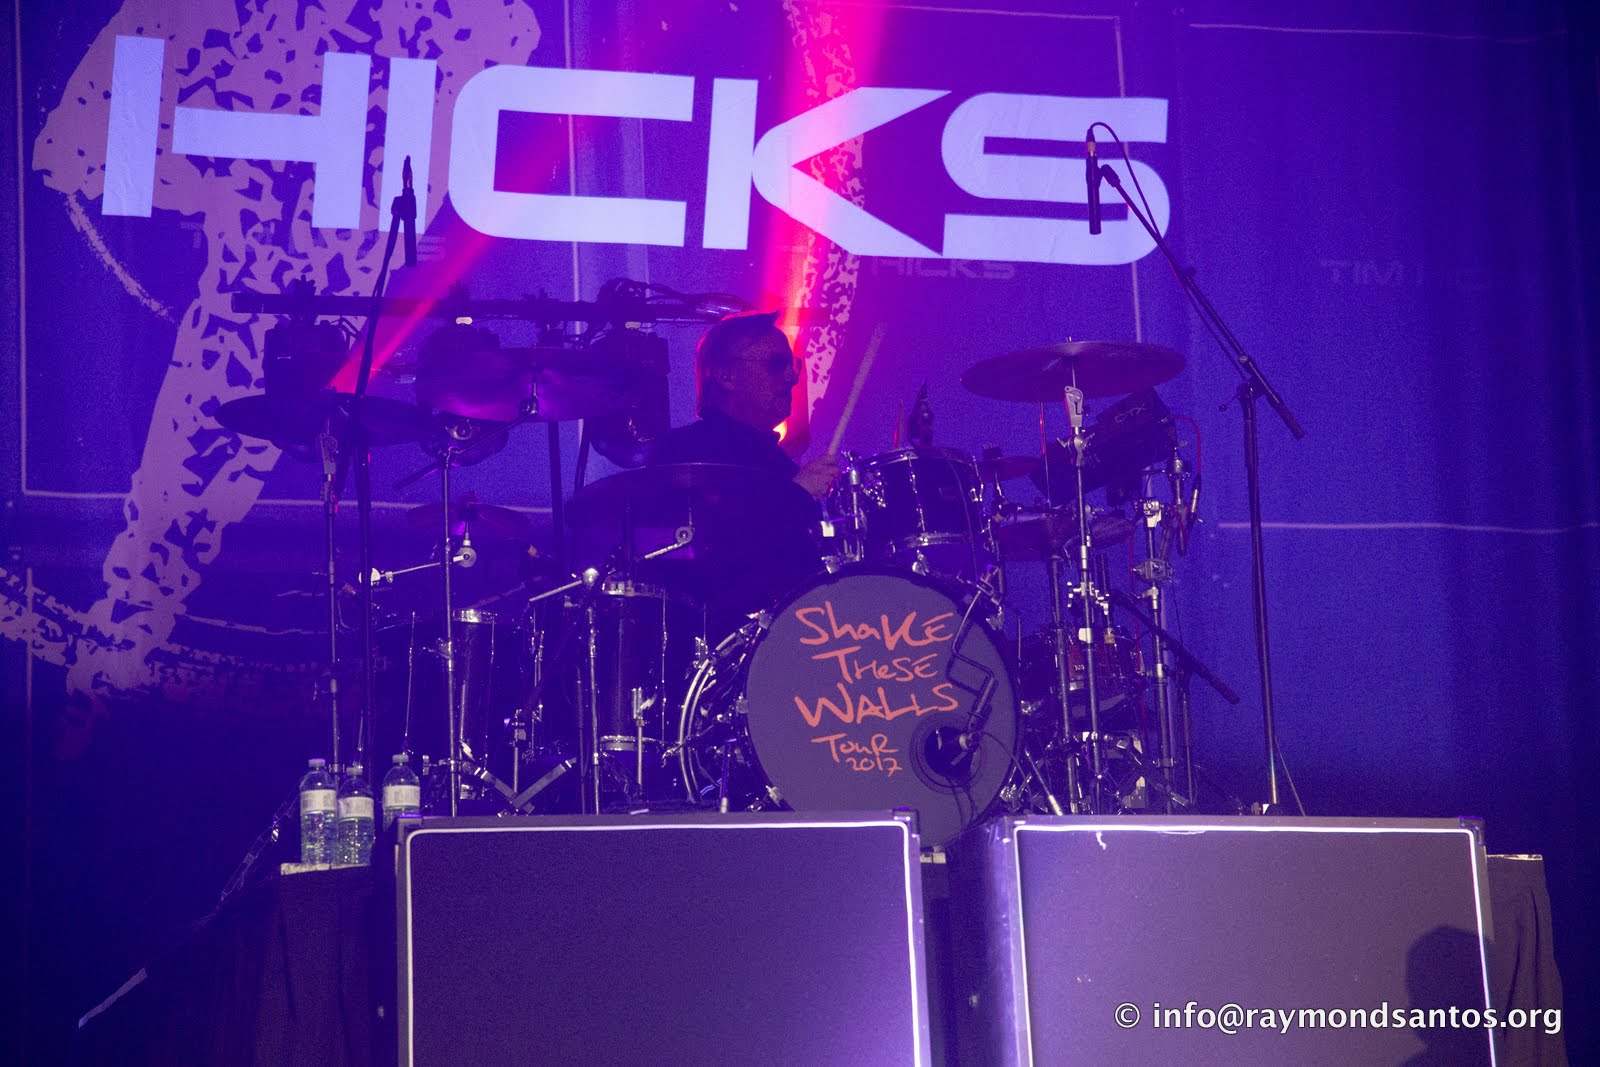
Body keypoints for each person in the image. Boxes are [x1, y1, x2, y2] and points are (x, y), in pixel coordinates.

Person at [643, 311, 840, 625]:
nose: (792, 377)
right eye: (776, 364)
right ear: (726, 376)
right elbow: (709, 559)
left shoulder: (773, 460)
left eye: (793, 365)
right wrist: (796, 495)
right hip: (718, 641)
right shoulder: (685, 452)